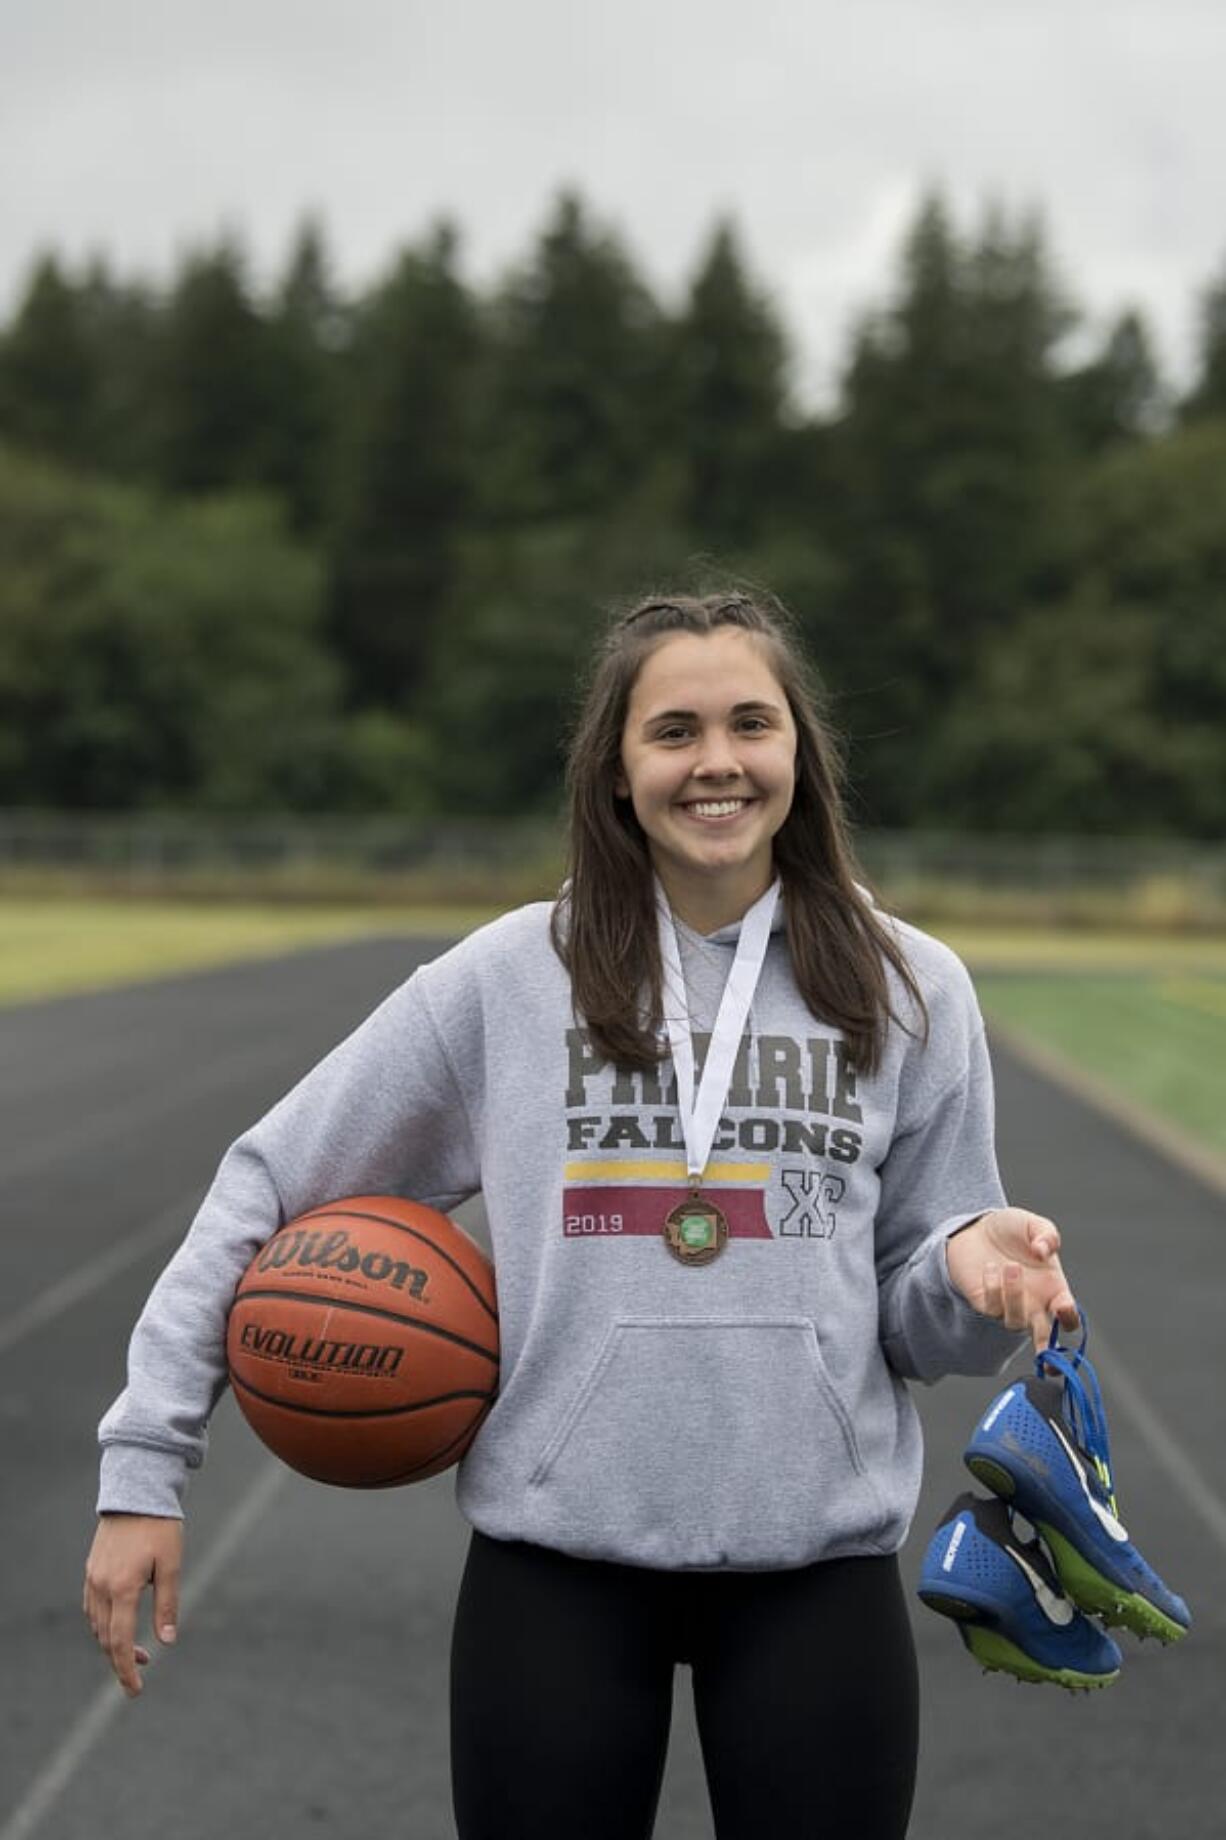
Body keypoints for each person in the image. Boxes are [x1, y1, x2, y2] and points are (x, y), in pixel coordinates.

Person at [84, 589, 1079, 1840]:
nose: (715, 761)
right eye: (673, 730)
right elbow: (268, 1180)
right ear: (617, 769)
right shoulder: (507, 977)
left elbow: (917, 1325)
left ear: (797, 755)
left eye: (748, 725)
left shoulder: (907, 985)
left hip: (812, 1565)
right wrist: (145, 1468)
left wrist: (966, 1266)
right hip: (554, 1562)